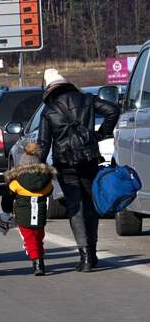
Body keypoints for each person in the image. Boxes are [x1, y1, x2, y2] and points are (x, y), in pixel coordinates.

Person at [37, 68, 120, 272]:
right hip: (89, 159)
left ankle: (84, 257)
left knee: (75, 207)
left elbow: (43, 143)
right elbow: (113, 111)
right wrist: (101, 134)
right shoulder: (87, 99)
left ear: (48, 88)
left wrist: (38, 168)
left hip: (65, 164)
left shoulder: (48, 111)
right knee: (91, 205)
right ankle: (92, 252)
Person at [0, 142, 55, 276]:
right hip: (40, 213)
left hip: (23, 214)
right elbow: (49, 191)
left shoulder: (16, 181)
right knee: (38, 237)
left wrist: (6, 210)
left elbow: (7, 198)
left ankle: (36, 261)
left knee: (29, 238)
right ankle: (40, 259)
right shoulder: (45, 180)